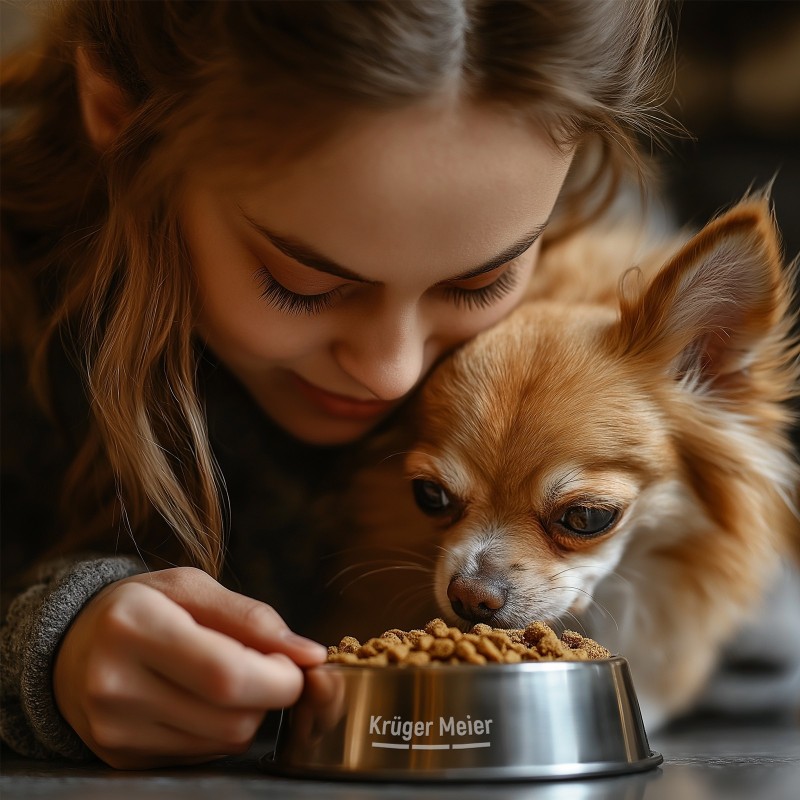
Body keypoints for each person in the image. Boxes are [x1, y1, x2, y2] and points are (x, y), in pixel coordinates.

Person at [0, 0, 673, 769]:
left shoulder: (604, 294)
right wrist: (51, 644)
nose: (393, 370)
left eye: (479, 282)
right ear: (121, 117)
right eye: (301, 284)